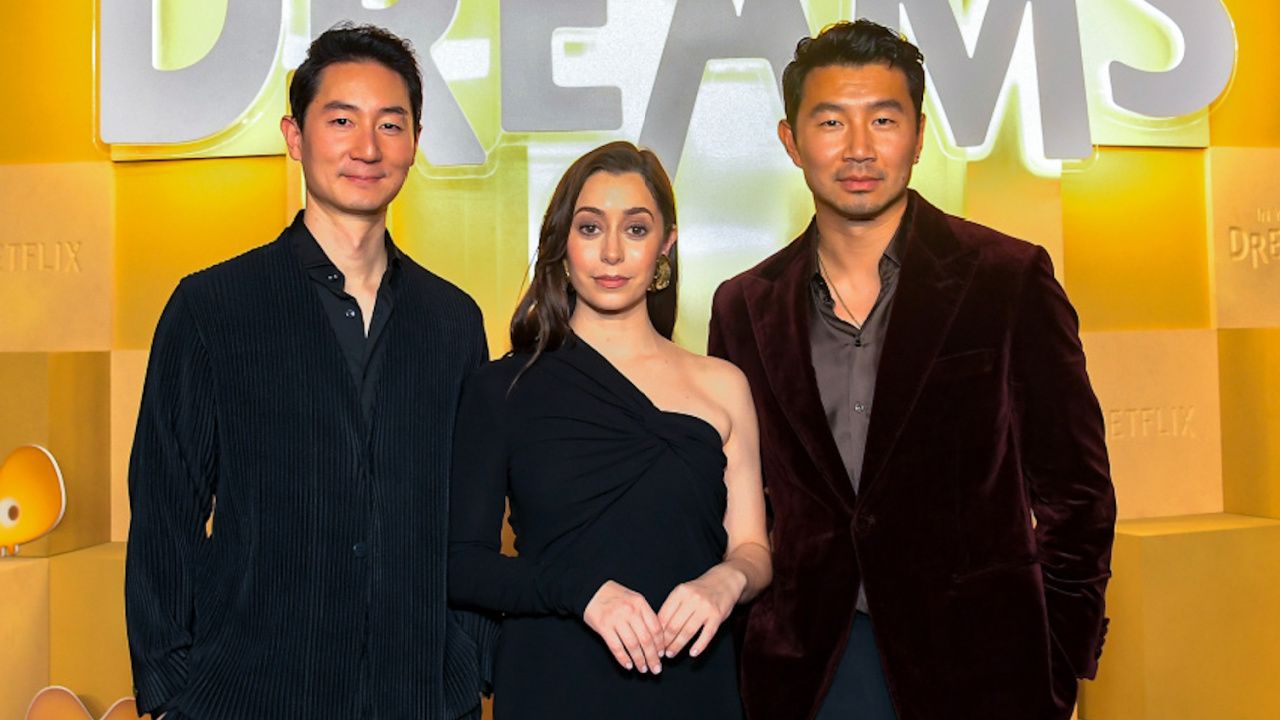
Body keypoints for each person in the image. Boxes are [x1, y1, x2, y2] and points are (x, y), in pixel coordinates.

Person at [707, 20, 1116, 720]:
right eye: (831, 121)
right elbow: (739, 499)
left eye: (884, 119)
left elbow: (1076, 493)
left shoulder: (1008, 279)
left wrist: (1059, 664)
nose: (859, 148)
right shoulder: (745, 305)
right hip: (805, 672)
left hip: (984, 669)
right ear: (790, 140)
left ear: (920, 137)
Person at [125, 24, 489, 719]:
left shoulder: (454, 322)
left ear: (415, 142)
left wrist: (464, 664)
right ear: (295, 137)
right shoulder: (212, 308)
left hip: (418, 695)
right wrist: (172, 690)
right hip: (251, 693)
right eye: (342, 120)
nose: (367, 147)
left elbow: (471, 516)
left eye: (392, 123)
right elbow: (165, 510)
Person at [448, 141, 771, 719]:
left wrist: (725, 581)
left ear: (666, 245)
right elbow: (460, 563)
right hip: (556, 682)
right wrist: (583, 591)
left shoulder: (723, 385)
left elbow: (753, 547)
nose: (614, 252)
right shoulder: (503, 390)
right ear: (561, 245)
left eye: (637, 229)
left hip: (695, 684)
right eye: (591, 227)